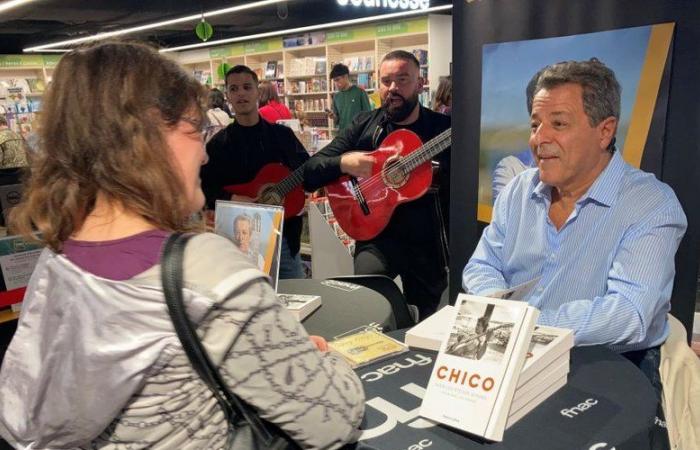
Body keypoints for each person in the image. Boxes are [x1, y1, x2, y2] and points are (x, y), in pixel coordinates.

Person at [0, 42, 364, 449]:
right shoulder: (202, 269)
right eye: (195, 130)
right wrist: (318, 361)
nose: (205, 154)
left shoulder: (57, 257)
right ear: (148, 137)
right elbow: (333, 418)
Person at [462, 59, 687, 397]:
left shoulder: (651, 204)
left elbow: (630, 313)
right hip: (508, 353)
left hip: (609, 370)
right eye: (535, 124)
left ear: (605, 131)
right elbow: (482, 265)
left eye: (559, 123)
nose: (540, 139)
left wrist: (527, 325)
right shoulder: (518, 190)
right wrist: (498, 306)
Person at [304, 50, 451, 318]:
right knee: (368, 304)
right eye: (386, 81)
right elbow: (310, 171)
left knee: (429, 320)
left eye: (403, 80)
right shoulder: (365, 125)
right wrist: (345, 163)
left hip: (427, 243)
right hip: (376, 237)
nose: (393, 88)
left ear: (420, 83)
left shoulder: (443, 129)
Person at [201, 65, 309, 279]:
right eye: (234, 89)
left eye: (247, 87)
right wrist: (233, 197)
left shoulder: (282, 136)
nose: (241, 93)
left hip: (284, 239)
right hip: (238, 242)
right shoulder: (218, 145)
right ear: (228, 97)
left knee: (297, 298)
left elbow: (307, 169)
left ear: (257, 92)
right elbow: (204, 187)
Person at [329, 63, 371, 131]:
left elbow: (368, 115)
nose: (336, 83)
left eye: (337, 80)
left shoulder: (360, 92)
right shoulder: (336, 97)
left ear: (345, 77)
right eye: (334, 81)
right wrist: (333, 117)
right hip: (343, 135)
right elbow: (337, 120)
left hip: (358, 134)